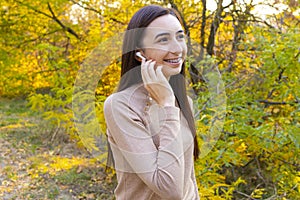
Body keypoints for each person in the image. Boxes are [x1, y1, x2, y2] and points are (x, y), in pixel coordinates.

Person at [104, 5, 200, 200]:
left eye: (180, 37)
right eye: (163, 39)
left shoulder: (185, 101)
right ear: (139, 52)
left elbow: (189, 177)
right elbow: (171, 190)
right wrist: (166, 105)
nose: (177, 48)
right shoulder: (120, 106)